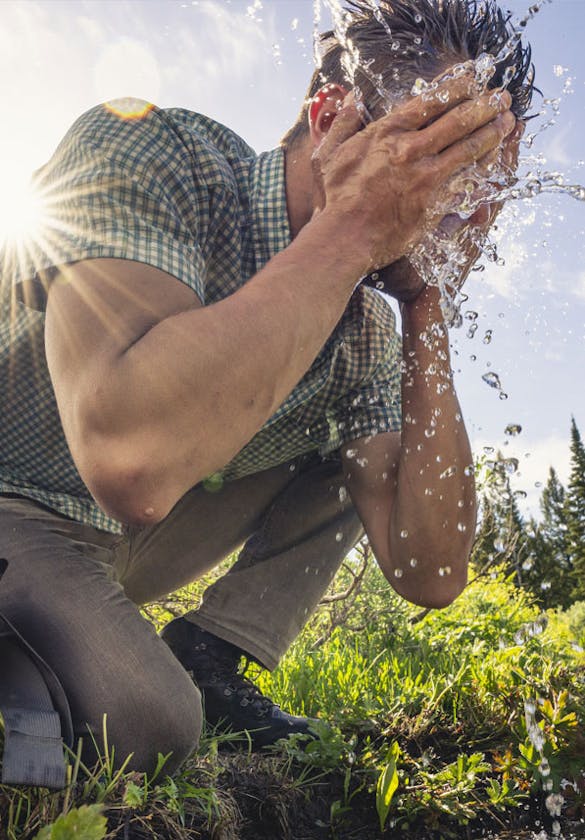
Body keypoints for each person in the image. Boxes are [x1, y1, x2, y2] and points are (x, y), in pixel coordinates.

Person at [0, 0, 534, 778]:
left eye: (475, 191)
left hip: (108, 551)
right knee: (148, 722)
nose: (452, 215)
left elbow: (430, 570)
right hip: (17, 500)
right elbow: (129, 459)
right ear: (328, 119)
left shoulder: (364, 339)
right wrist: (353, 227)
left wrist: (427, 302)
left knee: (357, 440)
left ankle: (211, 654)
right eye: (433, 168)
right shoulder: (147, 147)